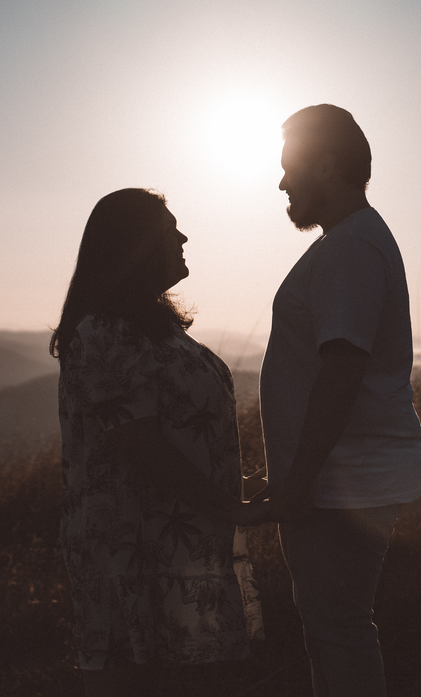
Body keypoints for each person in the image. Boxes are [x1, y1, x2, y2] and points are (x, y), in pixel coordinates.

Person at [51, 188, 268, 697]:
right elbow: (138, 443)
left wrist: (232, 482)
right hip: (130, 547)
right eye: (170, 228)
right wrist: (228, 505)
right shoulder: (105, 330)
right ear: (136, 245)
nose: (183, 236)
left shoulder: (149, 325)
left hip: (172, 540)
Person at [256, 105, 421, 697]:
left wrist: (298, 480)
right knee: (329, 628)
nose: (281, 183)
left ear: (326, 166)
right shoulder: (351, 243)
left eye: (289, 168)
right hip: (335, 477)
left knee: (340, 628)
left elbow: (343, 369)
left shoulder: (350, 249)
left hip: (339, 482)